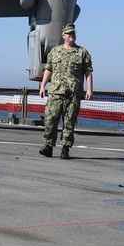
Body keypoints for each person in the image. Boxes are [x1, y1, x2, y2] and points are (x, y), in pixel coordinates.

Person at [38, 23, 94, 160]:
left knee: (69, 122)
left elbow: (88, 71)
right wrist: (42, 85)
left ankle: (65, 148)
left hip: (73, 93)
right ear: (63, 36)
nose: (72, 36)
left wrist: (90, 89)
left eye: (73, 33)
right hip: (56, 92)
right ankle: (48, 146)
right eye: (69, 34)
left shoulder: (82, 52)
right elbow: (48, 69)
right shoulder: (55, 51)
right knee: (51, 120)